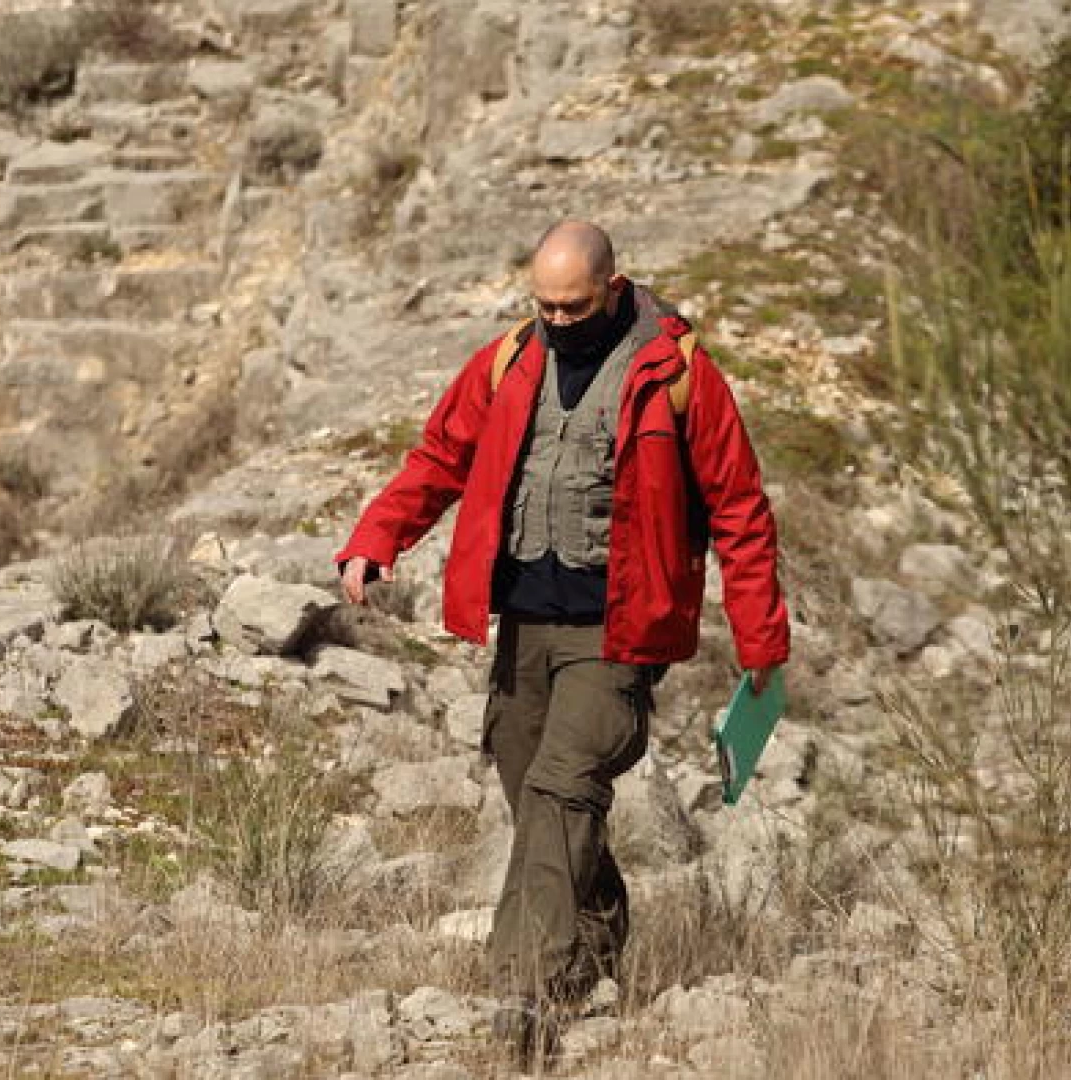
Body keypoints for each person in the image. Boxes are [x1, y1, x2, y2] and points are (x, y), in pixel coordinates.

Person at [334, 219, 788, 1061]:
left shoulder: (679, 374)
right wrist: (376, 537)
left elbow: (740, 510)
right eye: (543, 304)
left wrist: (762, 645)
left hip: (617, 636)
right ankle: (601, 927)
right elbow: (440, 456)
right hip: (523, 627)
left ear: (614, 289)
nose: (558, 320)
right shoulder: (507, 361)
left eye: (574, 306)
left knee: (559, 791)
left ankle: (527, 1000)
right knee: (537, 791)